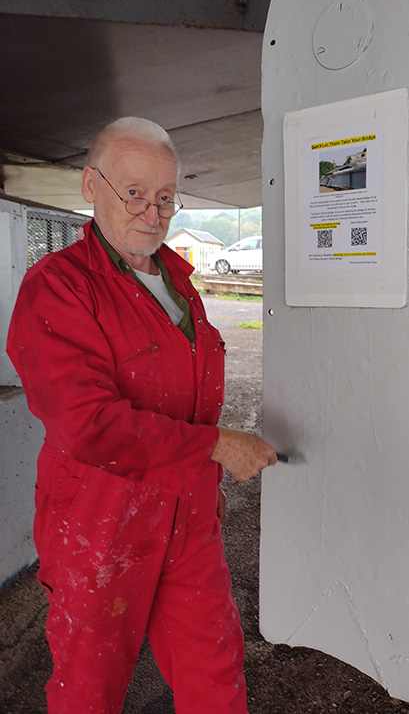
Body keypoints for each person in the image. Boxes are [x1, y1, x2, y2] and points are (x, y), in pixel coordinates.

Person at [7, 116, 277, 714]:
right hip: (100, 527)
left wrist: (202, 480)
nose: (150, 214)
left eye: (164, 198)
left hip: (187, 515)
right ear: (90, 185)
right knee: (89, 690)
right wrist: (212, 447)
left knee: (216, 676)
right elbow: (86, 424)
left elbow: (187, 394)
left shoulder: (180, 282)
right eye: (133, 193)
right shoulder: (56, 288)